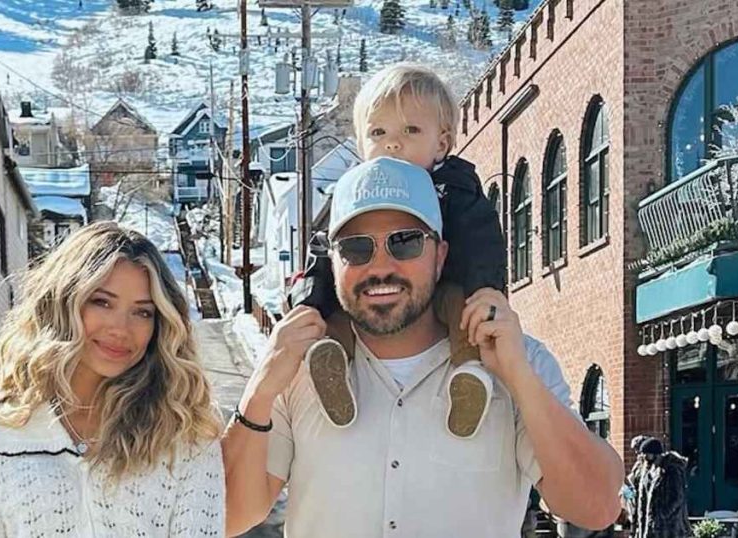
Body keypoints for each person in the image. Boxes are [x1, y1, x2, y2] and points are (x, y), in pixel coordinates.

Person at [223, 157, 624, 537]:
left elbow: (596, 506)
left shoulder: (518, 360)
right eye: (356, 248)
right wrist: (259, 391)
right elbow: (227, 515)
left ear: (440, 255)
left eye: (405, 242)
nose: (381, 267)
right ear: (333, 262)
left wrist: (519, 378)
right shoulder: (297, 368)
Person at [0, 223, 224, 537]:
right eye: (102, 302)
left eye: (143, 312)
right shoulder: (0, 430)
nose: (120, 329)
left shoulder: (183, 430)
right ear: (64, 302)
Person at [288, 63, 507, 439]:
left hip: (448, 287)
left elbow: (482, 241)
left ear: (442, 143)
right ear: (361, 145)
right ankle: (332, 367)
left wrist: (486, 290)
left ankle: (470, 377)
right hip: (375, 300)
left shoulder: (454, 189)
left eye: (410, 130)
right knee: (337, 312)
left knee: (464, 315)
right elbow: (327, 252)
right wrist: (307, 301)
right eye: (378, 132)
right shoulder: (355, 193)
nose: (393, 143)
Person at [632, 437, 692, 538]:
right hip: (652, 527)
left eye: (647, 454)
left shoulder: (671, 470)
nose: (644, 457)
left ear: (655, 454)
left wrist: (661, 515)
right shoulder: (649, 471)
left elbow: (677, 497)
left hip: (669, 528)